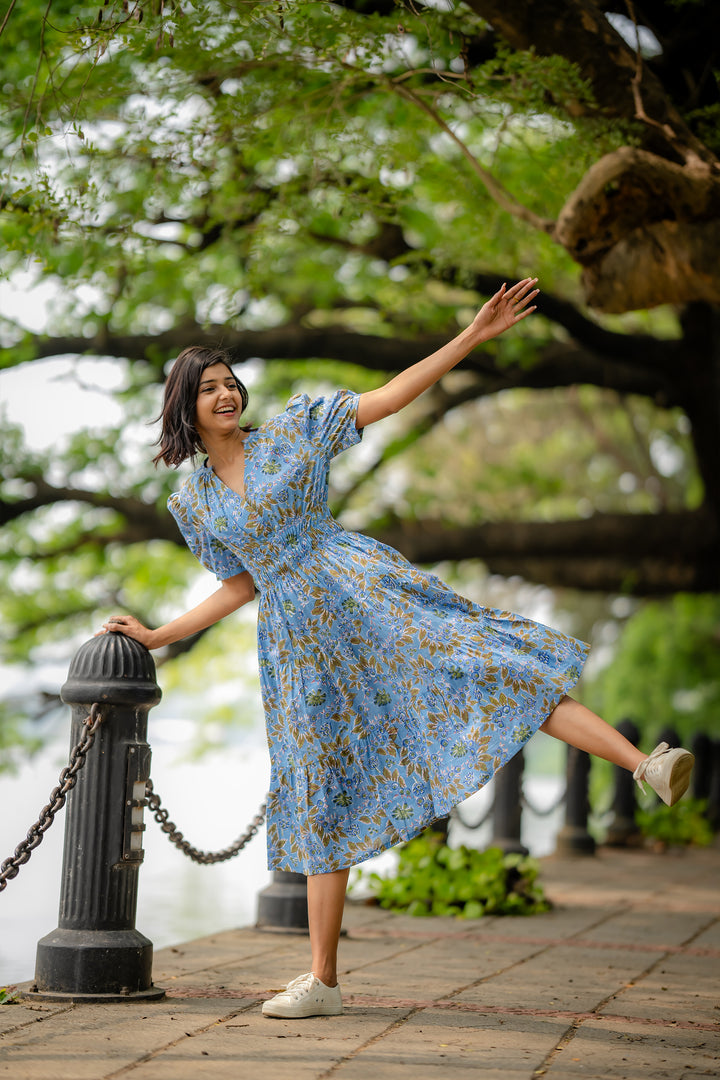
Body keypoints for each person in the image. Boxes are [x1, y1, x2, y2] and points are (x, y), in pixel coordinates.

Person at [100, 278, 694, 1020]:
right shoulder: (193, 502)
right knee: (319, 784)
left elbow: (387, 397)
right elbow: (241, 582)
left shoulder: (295, 430)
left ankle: (646, 763)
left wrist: (472, 337)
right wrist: (160, 634)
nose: (225, 395)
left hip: (365, 591)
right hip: (298, 645)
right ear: (185, 405)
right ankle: (322, 980)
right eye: (208, 388)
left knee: (491, 668)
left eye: (229, 383)